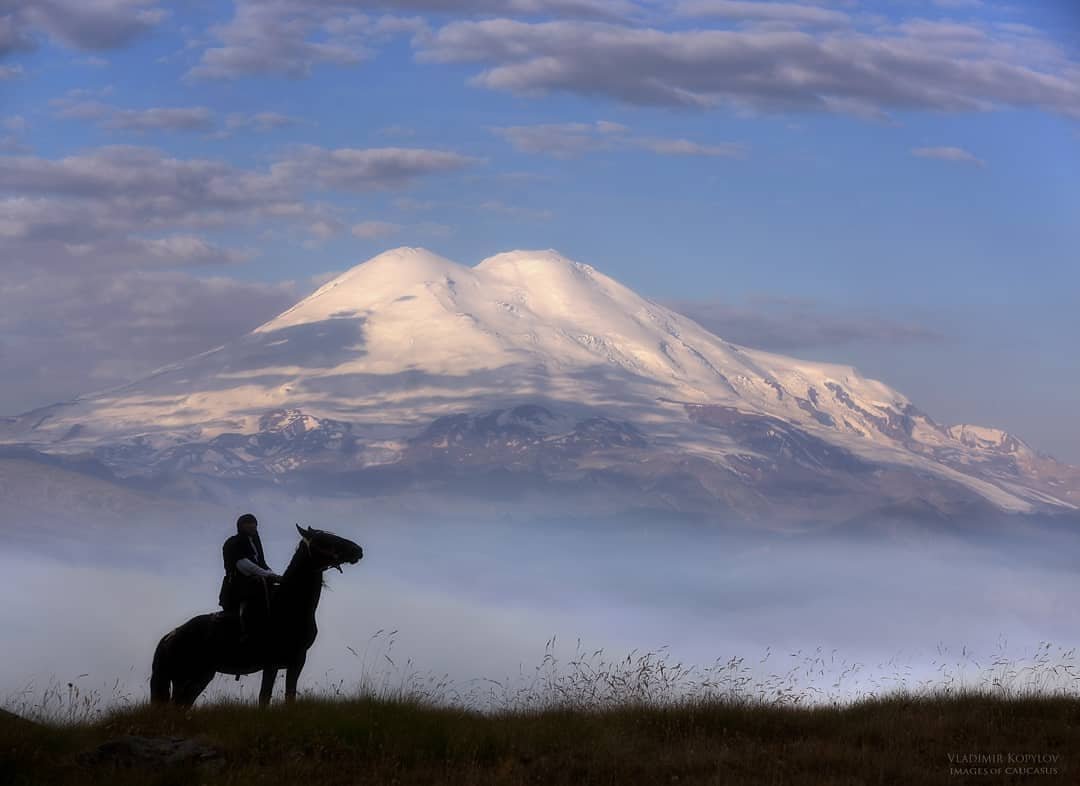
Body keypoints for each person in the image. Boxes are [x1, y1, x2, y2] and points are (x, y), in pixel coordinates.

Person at [219, 513, 282, 642]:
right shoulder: (233, 543)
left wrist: (276, 576)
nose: (253, 526)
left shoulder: (255, 542)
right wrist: (271, 576)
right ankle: (244, 634)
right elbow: (245, 566)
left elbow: (262, 564)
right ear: (241, 526)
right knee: (248, 604)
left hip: (259, 580)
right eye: (249, 523)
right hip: (238, 585)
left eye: (254, 523)